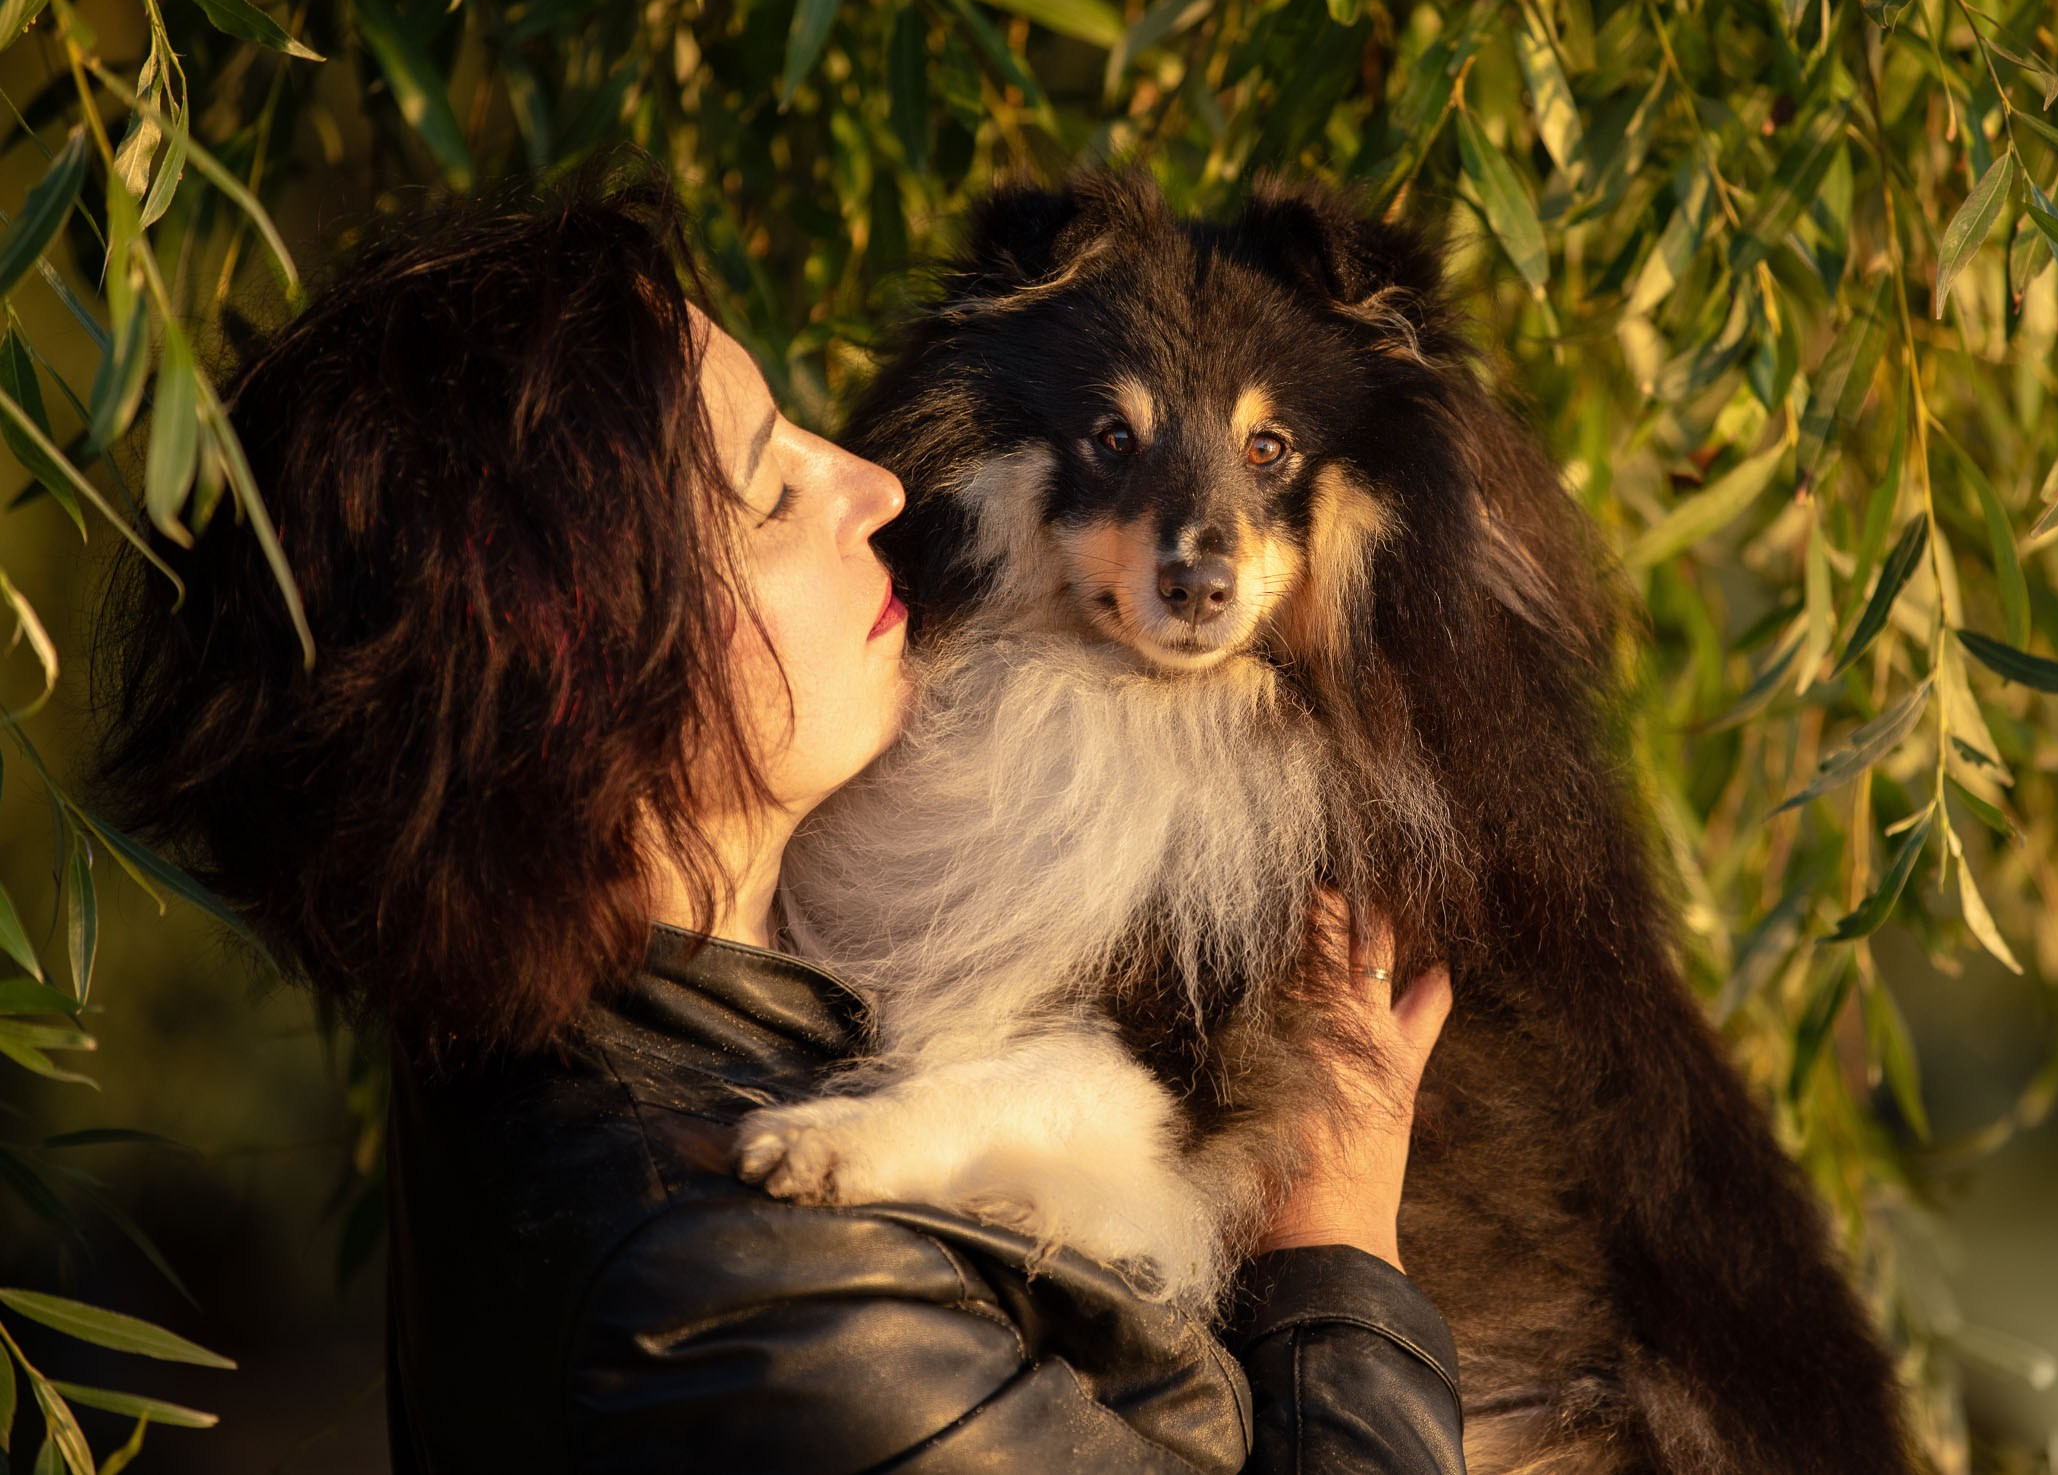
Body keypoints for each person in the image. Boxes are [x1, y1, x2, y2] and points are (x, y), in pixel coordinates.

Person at [94, 165, 1464, 1472]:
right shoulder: (744, 1304)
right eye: (769, 492)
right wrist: (1337, 1256)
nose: (875, 485)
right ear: (581, 666)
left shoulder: (623, 1058)